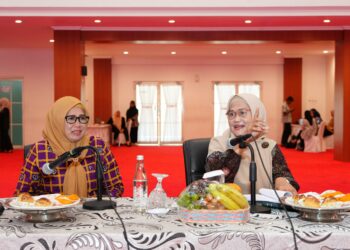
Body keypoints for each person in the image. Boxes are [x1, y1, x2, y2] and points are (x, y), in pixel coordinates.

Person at [15, 96, 124, 198]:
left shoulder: (97, 146)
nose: (78, 124)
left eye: (82, 118)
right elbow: (22, 193)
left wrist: (94, 203)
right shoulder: (39, 151)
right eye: (71, 118)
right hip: (52, 215)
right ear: (57, 121)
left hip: (91, 213)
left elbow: (116, 187)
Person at [206, 93, 299, 195]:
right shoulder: (218, 142)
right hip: (229, 208)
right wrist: (244, 142)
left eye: (242, 113)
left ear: (257, 114)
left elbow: (281, 172)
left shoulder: (268, 145)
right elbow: (214, 176)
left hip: (264, 207)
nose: (236, 119)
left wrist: (282, 182)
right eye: (231, 114)